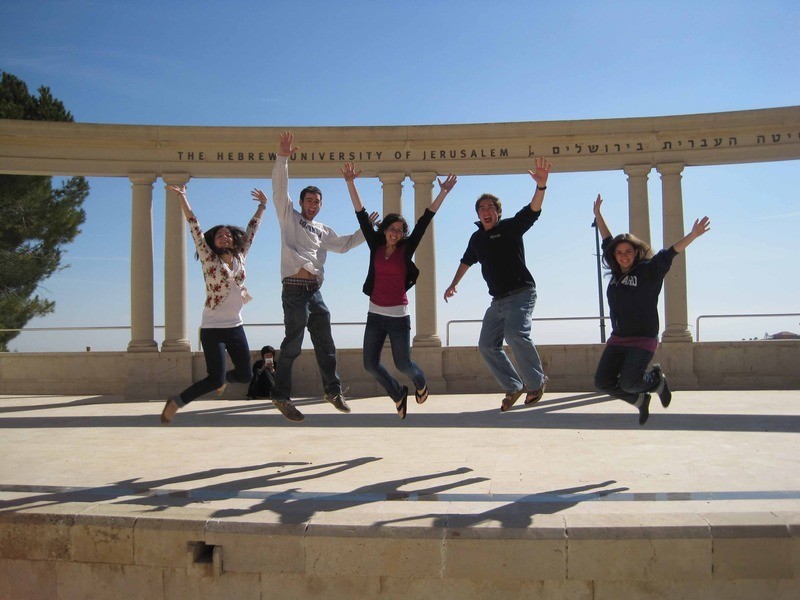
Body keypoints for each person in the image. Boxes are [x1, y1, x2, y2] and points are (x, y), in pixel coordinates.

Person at [342, 161, 457, 419]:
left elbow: (426, 218)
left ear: (403, 233)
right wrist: (351, 182)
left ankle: (421, 383)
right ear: (383, 230)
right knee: (370, 364)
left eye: (399, 230)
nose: (395, 233)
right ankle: (397, 393)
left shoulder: (407, 248)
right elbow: (360, 213)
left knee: (403, 363)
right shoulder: (375, 245)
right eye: (391, 229)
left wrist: (444, 192)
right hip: (375, 315)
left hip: (398, 317)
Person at [269, 131, 367, 422]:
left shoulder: (322, 229)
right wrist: (283, 157)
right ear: (301, 202)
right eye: (309, 200)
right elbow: (278, 188)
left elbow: (345, 244)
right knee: (293, 344)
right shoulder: (290, 217)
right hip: (294, 289)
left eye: (317, 201)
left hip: (315, 292)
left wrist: (368, 231)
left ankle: (333, 391)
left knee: (326, 344)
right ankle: (280, 395)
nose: (313, 204)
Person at [444, 157, 551, 412]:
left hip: (522, 293)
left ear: (498, 212)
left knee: (516, 335)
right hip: (498, 302)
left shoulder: (511, 227)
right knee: (486, 345)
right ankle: (513, 385)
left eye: (490, 207)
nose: (486, 211)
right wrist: (453, 284)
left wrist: (541, 186)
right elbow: (466, 262)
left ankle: (536, 383)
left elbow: (533, 211)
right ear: (478, 214)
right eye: (481, 208)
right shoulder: (476, 238)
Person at [592, 194, 710, 425]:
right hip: (618, 339)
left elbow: (671, 252)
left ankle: (656, 381)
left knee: (628, 382)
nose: (623, 256)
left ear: (636, 252)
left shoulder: (649, 271)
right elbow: (607, 238)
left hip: (642, 339)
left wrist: (693, 235)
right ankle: (639, 401)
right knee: (602, 382)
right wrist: (598, 215)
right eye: (619, 252)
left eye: (628, 251)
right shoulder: (616, 273)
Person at [160, 185, 267, 424]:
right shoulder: (208, 259)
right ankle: (176, 402)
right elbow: (194, 225)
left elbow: (251, 231)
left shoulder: (241, 257)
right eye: (220, 235)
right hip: (213, 328)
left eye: (228, 234)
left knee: (245, 374)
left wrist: (262, 207)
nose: (225, 236)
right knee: (214, 379)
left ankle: (223, 380)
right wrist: (184, 197)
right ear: (213, 241)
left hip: (235, 326)